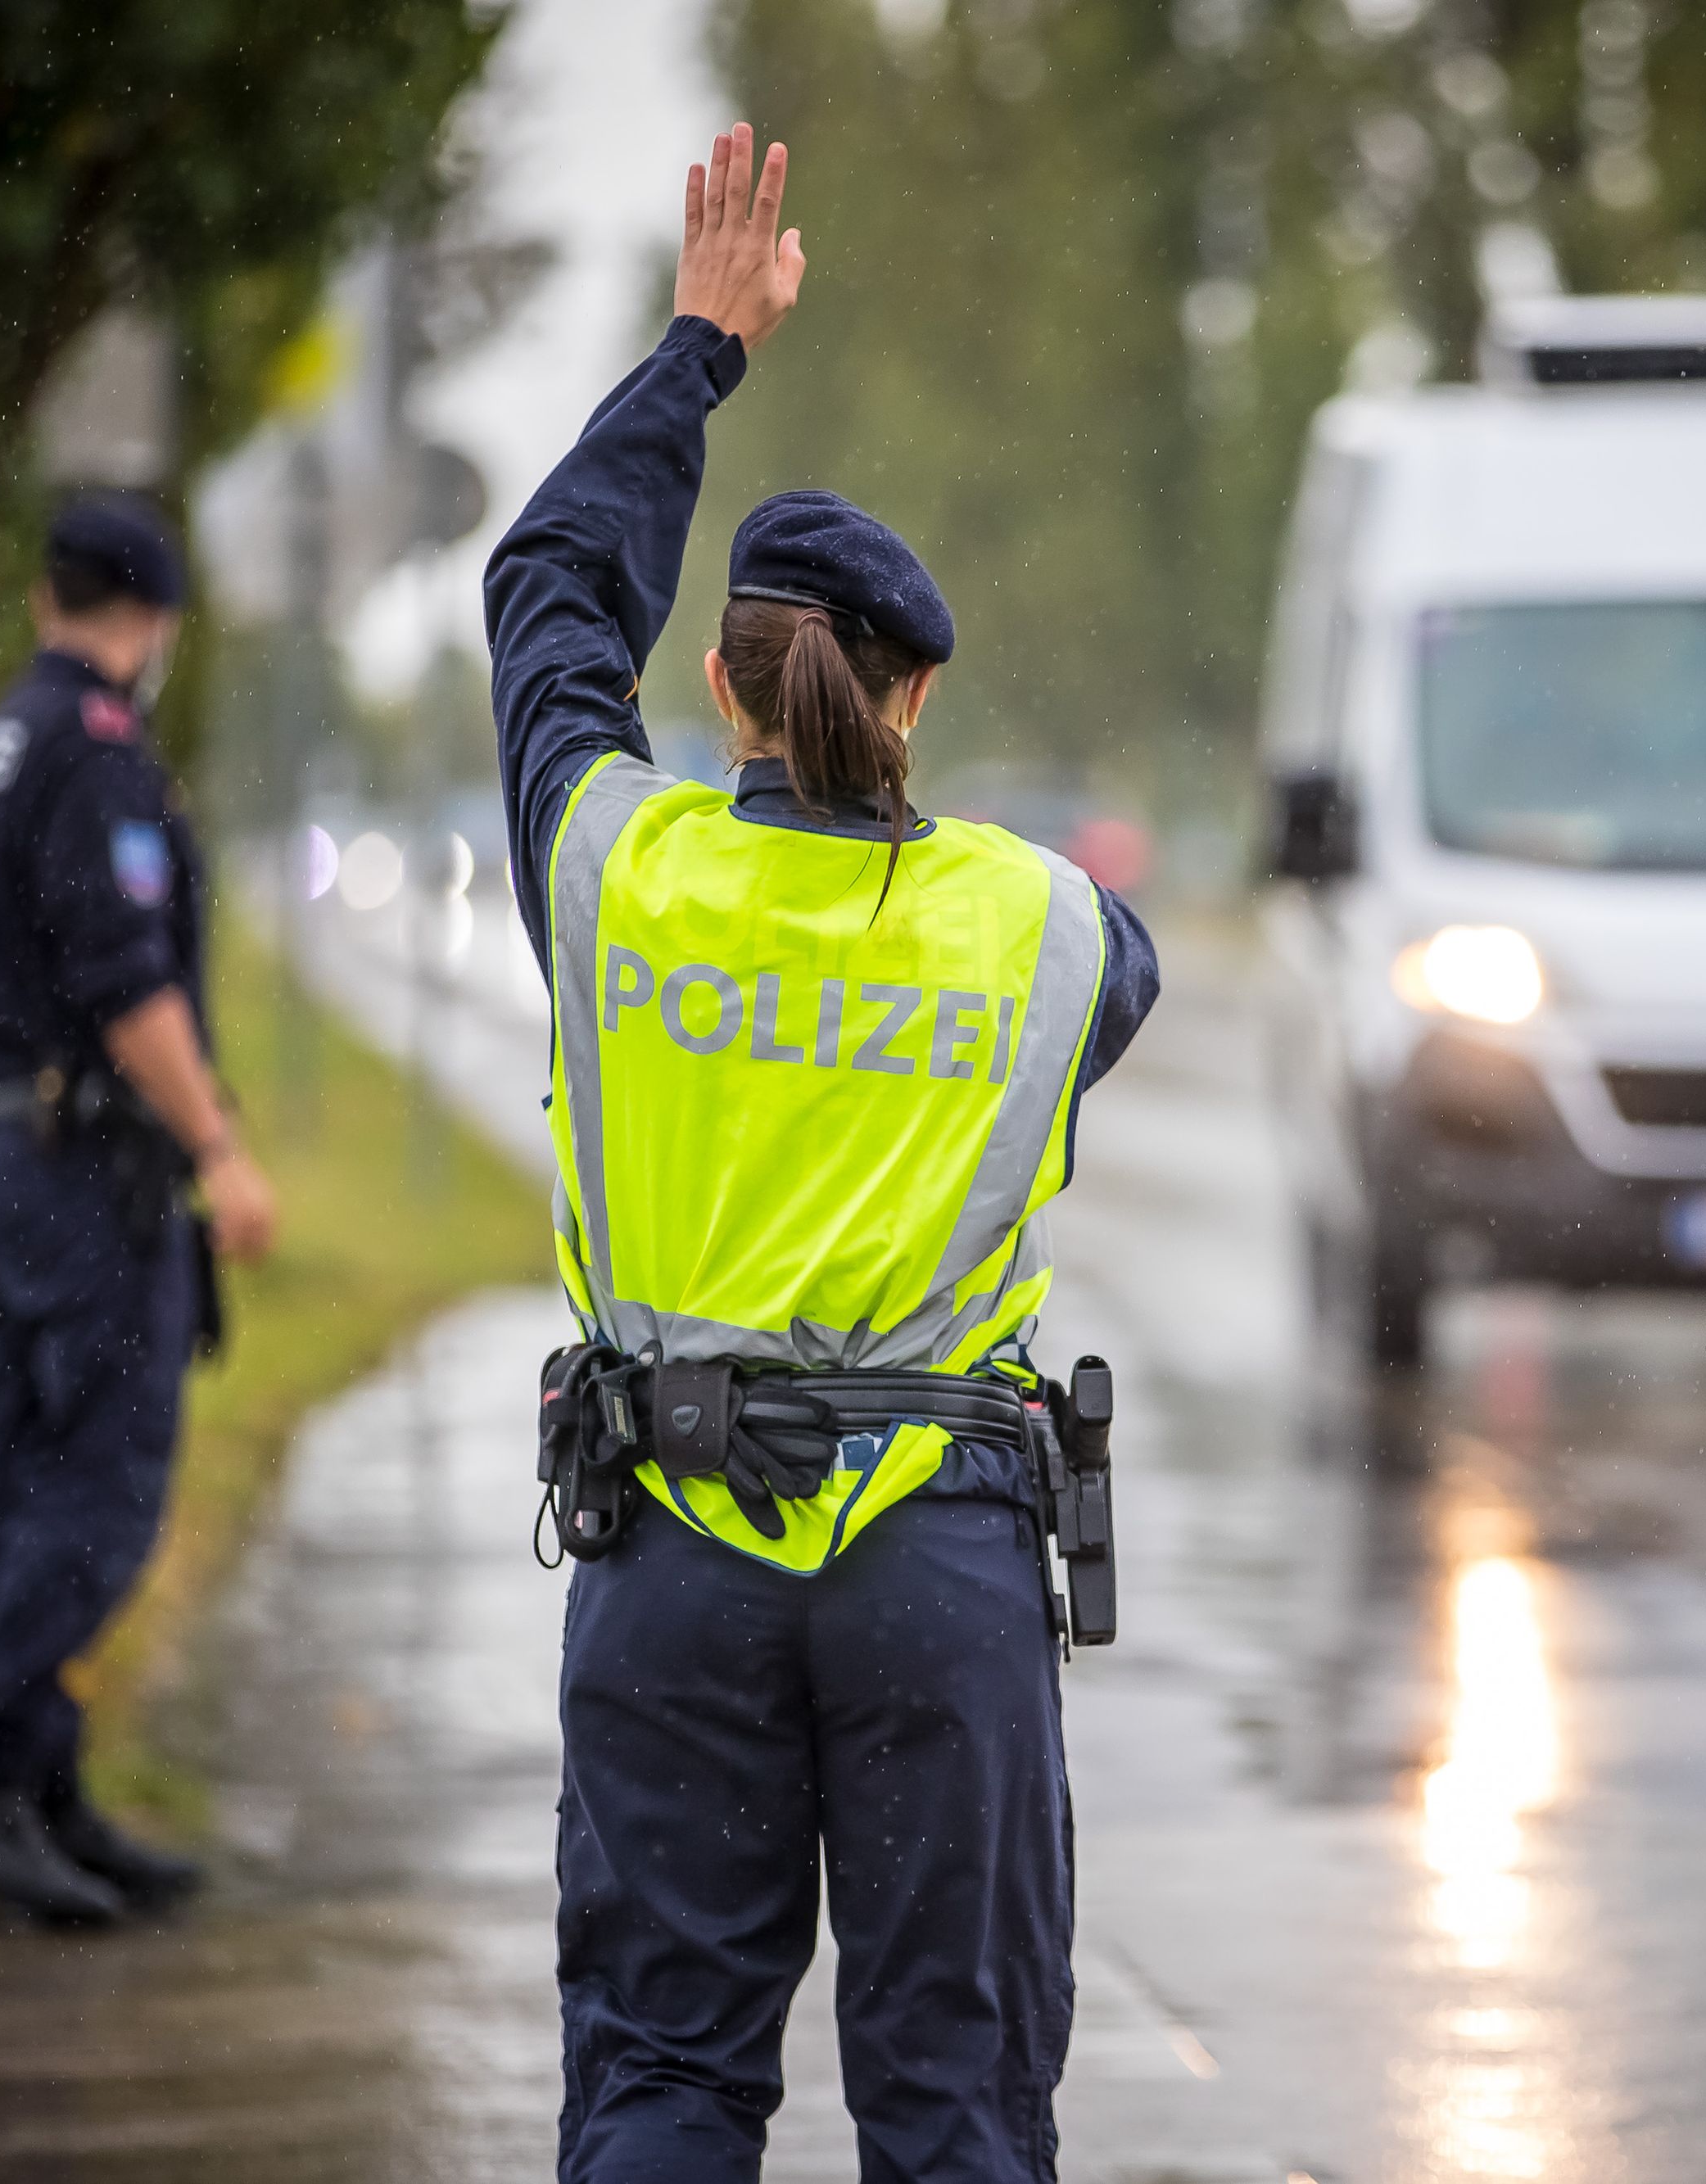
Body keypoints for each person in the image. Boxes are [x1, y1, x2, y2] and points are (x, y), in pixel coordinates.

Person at [485, 128, 1158, 2180]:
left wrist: (699, 347)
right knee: (956, 2106)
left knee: (669, 2086)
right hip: (935, 1575)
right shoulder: (1044, 928)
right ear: (920, 694)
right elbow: (1123, 975)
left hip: (673, 1550)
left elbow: (541, 593)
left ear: (717, 687)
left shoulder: (617, 868)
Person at [0, 492, 279, 1925]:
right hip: (87, 1177)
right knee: (99, 1492)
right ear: (158, 616)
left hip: (16, 1162)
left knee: (32, 1478)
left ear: (44, 598)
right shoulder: (93, 756)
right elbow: (127, 986)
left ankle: (38, 1793)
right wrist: (222, 1148)